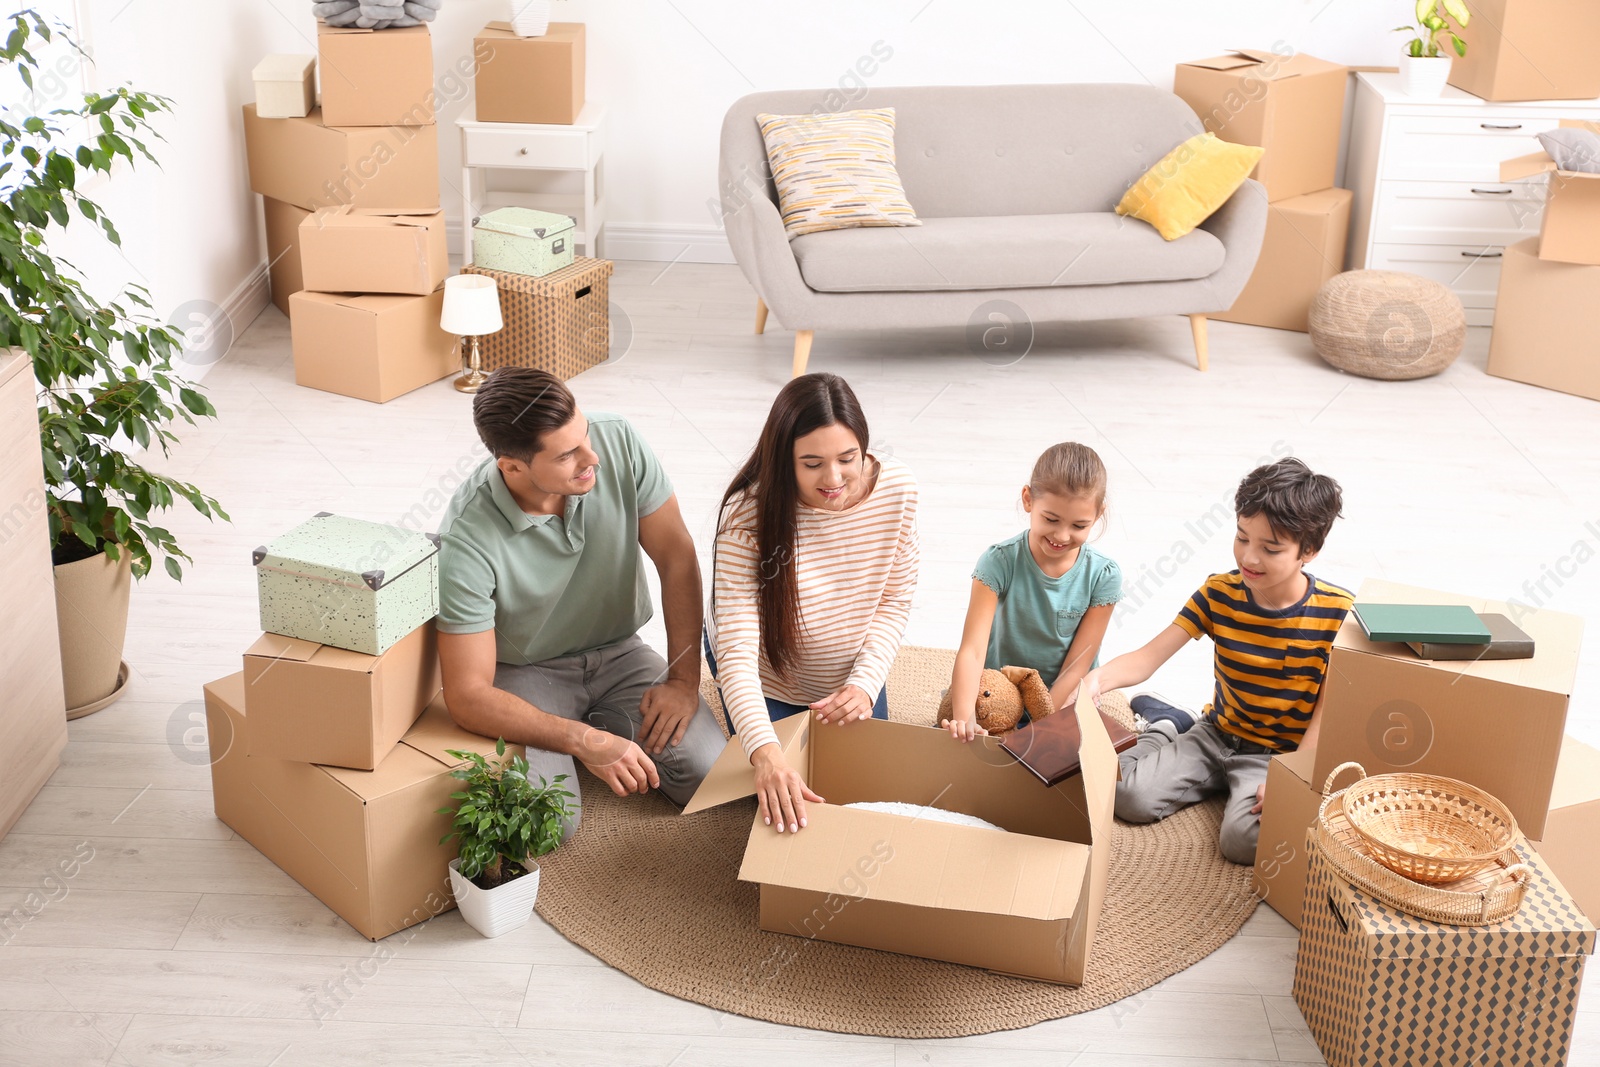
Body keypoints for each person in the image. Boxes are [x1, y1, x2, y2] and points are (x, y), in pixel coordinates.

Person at [433, 368, 725, 835]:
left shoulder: (618, 440)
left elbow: (677, 557)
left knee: (711, 777)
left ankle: (600, 730)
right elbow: (466, 696)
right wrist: (583, 739)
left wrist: (684, 681)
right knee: (551, 824)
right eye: (568, 454)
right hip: (527, 673)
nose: (593, 457)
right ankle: (584, 735)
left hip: (620, 652)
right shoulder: (466, 539)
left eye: (584, 436)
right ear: (512, 466)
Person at [1081, 458, 1352, 865]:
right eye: (1242, 538)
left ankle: (1176, 732)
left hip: (1276, 755)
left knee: (1243, 841)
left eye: (1270, 548)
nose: (1250, 558)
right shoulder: (1219, 593)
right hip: (1215, 735)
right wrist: (1097, 680)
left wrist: (1293, 777)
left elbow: (1326, 715)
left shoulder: (1337, 613)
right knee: (1127, 796)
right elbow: (1149, 656)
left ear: (1309, 551)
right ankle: (1168, 724)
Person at [707, 373, 919, 836]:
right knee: (785, 809)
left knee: (862, 799)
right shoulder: (746, 517)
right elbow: (737, 654)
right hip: (768, 671)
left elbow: (894, 601)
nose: (834, 479)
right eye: (812, 464)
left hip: (843, 671)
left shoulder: (898, 491)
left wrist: (864, 685)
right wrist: (764, 753)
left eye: (848, 458)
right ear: (783, 461)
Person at [940, 442, 1122, 742]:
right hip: (1001, 687)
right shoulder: (998, 561)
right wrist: (965, 719)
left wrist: (1042, 723)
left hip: (1064, 692)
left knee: (1070, 760)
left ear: (1098, 514)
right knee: (958, 734)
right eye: (1050, 519)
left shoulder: (1104, 576)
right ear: (1028, 499)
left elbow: (1078, 663)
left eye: (1079, 525)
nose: (1061, 536)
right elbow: (972, 649)